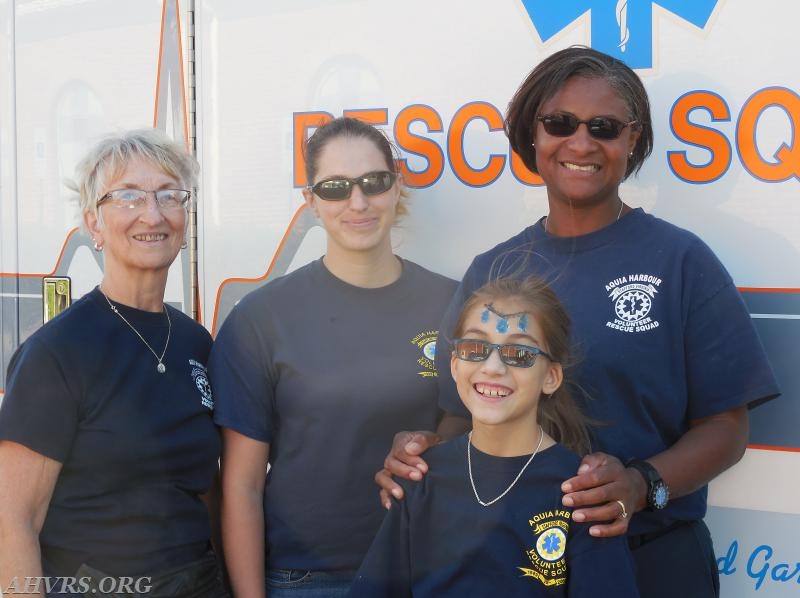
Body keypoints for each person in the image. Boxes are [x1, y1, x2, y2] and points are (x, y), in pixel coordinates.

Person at [375, 47, 780, 597]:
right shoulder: (492, 269)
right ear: (533, 135)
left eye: (605, 127)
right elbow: (460, 419)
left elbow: (727, 431)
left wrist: (641, 485)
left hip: (653, 559)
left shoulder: (681, 262)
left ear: (632, 140)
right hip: (513, 563)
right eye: (560, 123)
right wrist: (422, 451)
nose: (582, 143)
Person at [209, 117, 456, 597]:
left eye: (374, 182)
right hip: (307, 580)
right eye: (336, 187)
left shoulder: (451, 305)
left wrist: (436, 439)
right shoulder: (262, 319)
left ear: (397, 184)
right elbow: (241, 486)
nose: (358, 202)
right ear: (311, 202)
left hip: (426, 569)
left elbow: (470, 426)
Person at [0, 129, 227, 596]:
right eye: (127, 196)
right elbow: (12, 519)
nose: (153, 213)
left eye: (170, 195)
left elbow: (210, 492)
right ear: (94, 224)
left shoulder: (196, 343)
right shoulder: (57, 353)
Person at [350, 277, 639, 597]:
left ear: (551, 376)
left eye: (518, 352)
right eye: (475, 347)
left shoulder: (582, 494)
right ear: (455, 364)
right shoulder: (421, 477)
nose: (492, 367)